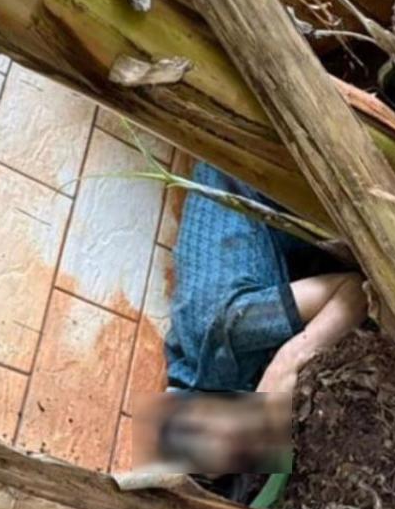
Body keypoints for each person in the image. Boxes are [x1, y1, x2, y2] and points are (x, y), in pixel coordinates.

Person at [146, 163, 368, 489]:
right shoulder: (191, 369)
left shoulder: (229, 328)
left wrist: (288, 362)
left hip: (259, 177)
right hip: (272, 240)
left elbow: (355, 291)